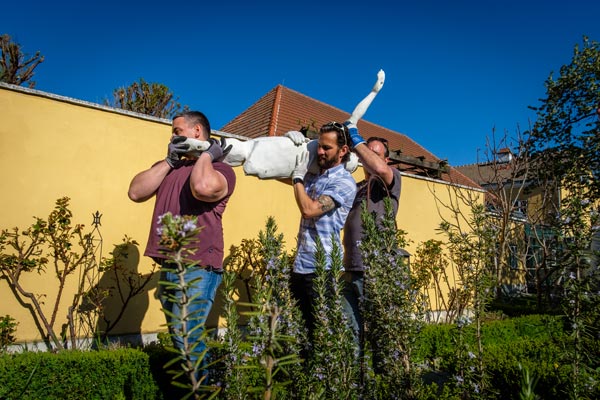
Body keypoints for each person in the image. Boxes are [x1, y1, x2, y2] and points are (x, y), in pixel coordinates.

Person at [127, 110, 236, 372]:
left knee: (188, 339)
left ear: (196, 131)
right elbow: (135, 192)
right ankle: (203, 388)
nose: (172, 136)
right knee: (180, 339)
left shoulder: (221, 169)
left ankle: (207, 390)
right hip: (169, 265)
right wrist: (168, 161)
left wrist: (208, 154)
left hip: (198, 266)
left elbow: (202, 188)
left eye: (177, 131)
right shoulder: (169, 167)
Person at [290, 121, 357, 342]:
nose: (320, 151)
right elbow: (280, 174)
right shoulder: (314, 176)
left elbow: (309, 210)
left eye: (326, 148)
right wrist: (290, 144)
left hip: (323, 268)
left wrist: (298, 178)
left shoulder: (344, 183)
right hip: (301, 264)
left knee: (321, 333)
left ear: (343, 151)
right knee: (301, 332)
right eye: (319, 146)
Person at [341, 122, 402, 355]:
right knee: (350, 333)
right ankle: (355, 383)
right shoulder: (356, 187)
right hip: (351, 267)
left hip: (376, 270)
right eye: (366, 153)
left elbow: (379, 169)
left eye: (374, 154)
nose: (367, 158)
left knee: (380, 336)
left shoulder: (390, 180)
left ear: (386, 160)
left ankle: (383, 384)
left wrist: (357, 141)